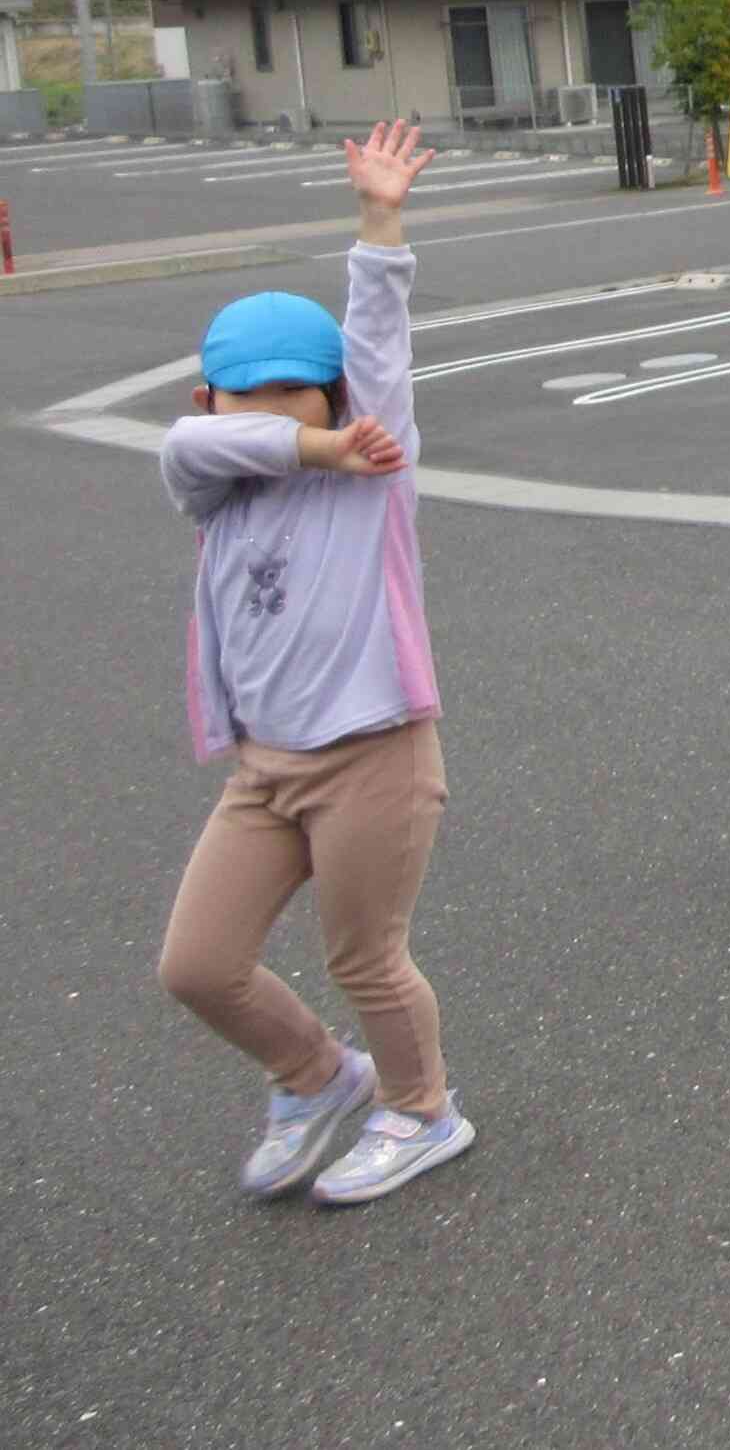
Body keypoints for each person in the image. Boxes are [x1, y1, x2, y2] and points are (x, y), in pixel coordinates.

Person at [155, 117, 473, 1207]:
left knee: (365, 959)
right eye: (249, 393)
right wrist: (305, 442)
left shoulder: (371, 474)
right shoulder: (214, 480)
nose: (274, 407)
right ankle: (313, 1077)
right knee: (196, 966)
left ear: (338, 395)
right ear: (213, 401)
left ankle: (423, 1109)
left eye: (300, 390)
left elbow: (378, 342)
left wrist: (379, 222)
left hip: (373, 754)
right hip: (264, 768)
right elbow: (184, 446)